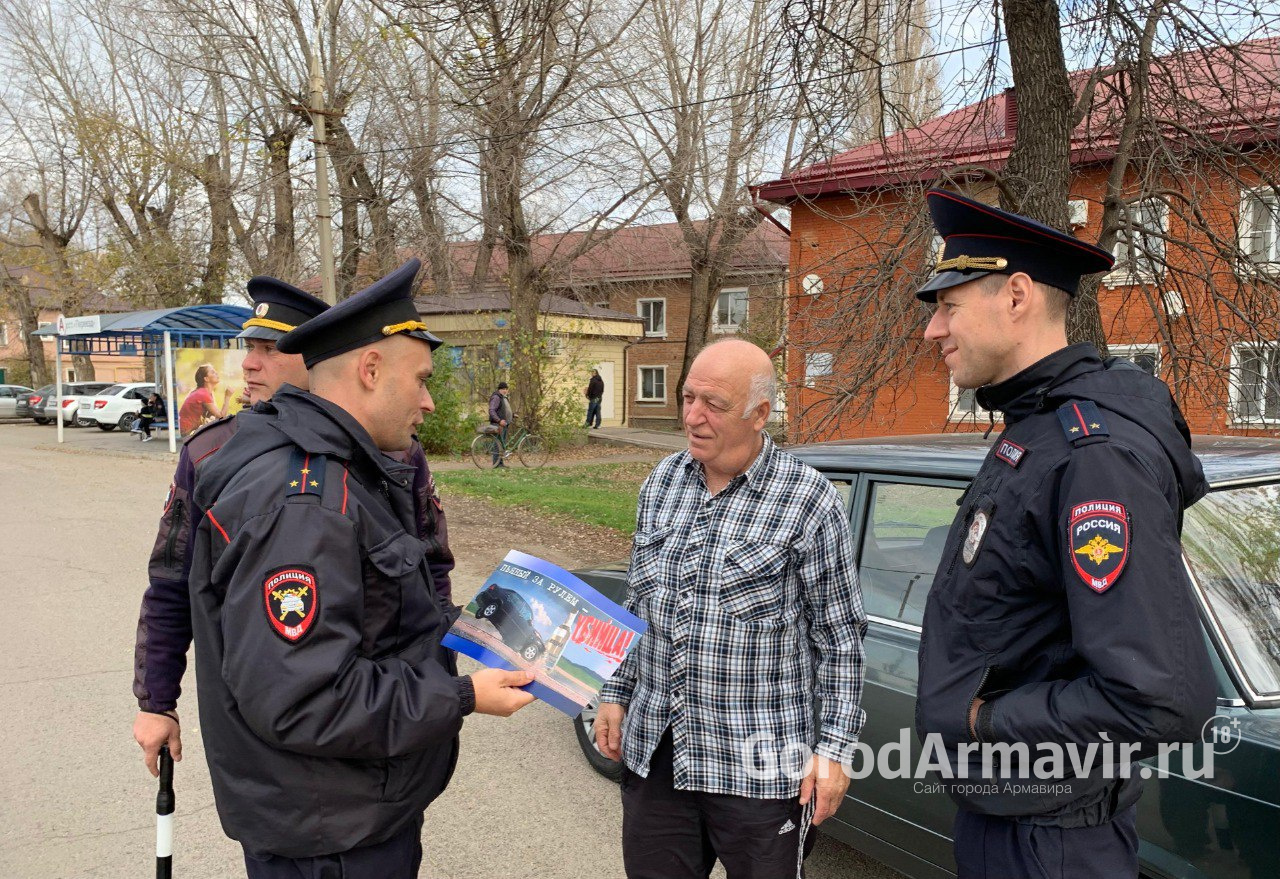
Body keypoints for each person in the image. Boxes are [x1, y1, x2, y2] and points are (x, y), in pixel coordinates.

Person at [186, 258, 534, 877]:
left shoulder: (349, 468)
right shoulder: (307, 502)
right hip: (330, 834)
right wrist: (460, 696)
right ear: (371, 370)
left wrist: (484, 626)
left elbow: (380, 614)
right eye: (422, 379)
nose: (429, 402)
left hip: (348, 810)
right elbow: (303, 697)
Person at [912, 189, 1217, 878]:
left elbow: (1158, 696)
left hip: (1050, 845)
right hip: (1014, 824)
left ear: (1016, 295)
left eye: (948, 305)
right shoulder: (1035, 426)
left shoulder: (1091, 454)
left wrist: (987, 721)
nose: (934, 330)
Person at [130, 276, 459, 780]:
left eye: (270, 348)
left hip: (378, 726)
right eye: (249, 348)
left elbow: (427, 565)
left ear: (315, 357)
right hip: (289, 740)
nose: (249, 363)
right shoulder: (213, 450)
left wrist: (433, 677)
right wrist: (157, 698)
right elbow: (174, 581)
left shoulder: (394, 449)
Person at [595, 338, 867, 879]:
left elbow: (839, 638)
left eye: (714, 405)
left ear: (759, 414)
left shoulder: (808, 500)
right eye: (688, 396)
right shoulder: (662, 484)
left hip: (761, 772)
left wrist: (833, 752)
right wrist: (616, 691)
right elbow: (638, 602)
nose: (692, 416)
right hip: (659, 755)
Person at [178, 361, 232, 434]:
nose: (217, 374)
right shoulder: (203, 394)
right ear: (206, 379)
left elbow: (213, 416)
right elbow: (221, 416)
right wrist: (227, 396)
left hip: (189, 429)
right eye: (213, 372)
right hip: (187, 432)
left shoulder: (203, 392)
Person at [488, 380, 512, 467]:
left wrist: (513, 415)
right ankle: (496, 464)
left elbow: (504, 410)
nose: (505, 390)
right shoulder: (496, 397)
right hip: (497, 424)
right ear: (499, 389)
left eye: (506, 389)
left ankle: (500, 463)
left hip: (504, 424)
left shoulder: (503, 397)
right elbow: (491, 410)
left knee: (501, 445)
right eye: (503, 389)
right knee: (497, 445)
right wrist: (499, 421)